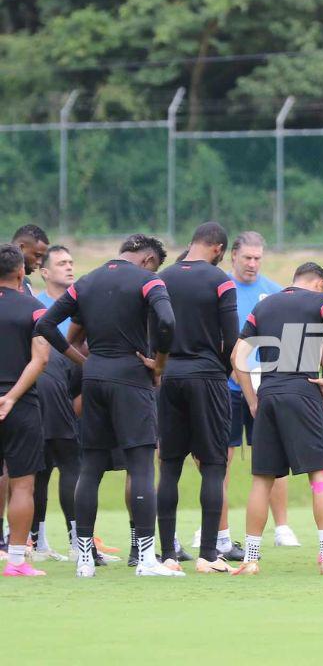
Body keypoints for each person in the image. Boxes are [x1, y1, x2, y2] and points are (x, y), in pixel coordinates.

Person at [36, 233, 181, 578]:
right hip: (132, 378)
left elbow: (45, 324)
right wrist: (159, 364)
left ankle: (85, 559)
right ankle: (146, 559)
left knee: (91, 467)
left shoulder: (86, 282)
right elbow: (167, 321)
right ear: (148, 260)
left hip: (95, 377)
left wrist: (82, 361)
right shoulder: (148, 281)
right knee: (141, 466)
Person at [230, 262, 323, 576]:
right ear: (319, 284)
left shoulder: (264, 305)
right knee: (320, 476)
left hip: (269, 394)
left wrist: (252, 399)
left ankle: (250, 559)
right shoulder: (322, 301)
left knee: (262, 480)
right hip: (303, 392)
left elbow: (236, 357)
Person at [154, 222, 239, 574]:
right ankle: (208, 555)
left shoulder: (162, 279)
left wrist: (163, 366)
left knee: (169, 466)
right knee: (214, 465)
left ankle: (168, 556)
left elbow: (155, 330)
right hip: (207, 375)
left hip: (171, 375)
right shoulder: (220, 280)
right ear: (218, 249)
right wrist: (219, 369)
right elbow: (232, 338)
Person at [210, 231, 293, 558]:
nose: (253, 264)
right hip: (228, 387)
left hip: (266, 387)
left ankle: (282, 527)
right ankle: (217, 528)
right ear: (233, 256)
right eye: (247, 257)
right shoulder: (220, 288)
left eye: (258, 258)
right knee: (223, 458)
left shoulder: (275, 293)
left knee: (273, 456)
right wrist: (230, 366)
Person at [0, 244, 51, 577]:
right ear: (21, 273)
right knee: (22, 485)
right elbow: (41, 359)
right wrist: (12, 397)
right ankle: (16, 560)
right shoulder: (34, 309)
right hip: (21, 406)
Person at [29, 245, 80, 562]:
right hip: (45, 391)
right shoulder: (36, 307)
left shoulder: (81, 305)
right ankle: (40, 542)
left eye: (71, 262)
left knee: (72, 465)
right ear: (45, 272)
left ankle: (77, 541)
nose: (69, 267)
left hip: (75, 390)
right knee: (43, 468)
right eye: (62, 263)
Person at [11, 224, 49, 295]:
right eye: (37, 255)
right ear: (21, 248)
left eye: (42, 257)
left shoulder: (26, 283)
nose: (40, 262)